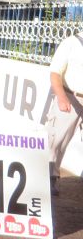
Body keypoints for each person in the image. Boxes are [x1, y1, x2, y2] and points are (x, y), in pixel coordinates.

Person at [46, 31, 83, 196]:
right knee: (57, 141)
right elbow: (55, 73)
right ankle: (49, 178)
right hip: (70, 97)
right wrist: (61, 97)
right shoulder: (70, 43)